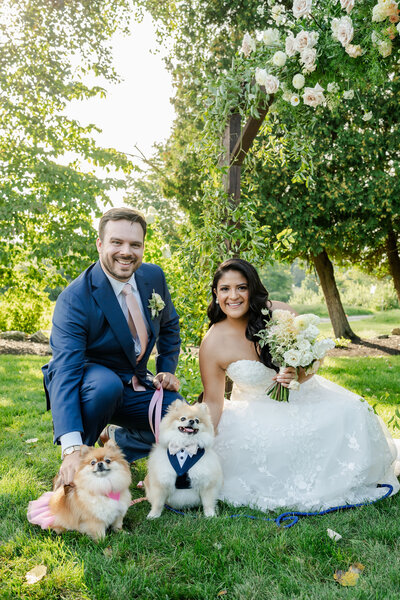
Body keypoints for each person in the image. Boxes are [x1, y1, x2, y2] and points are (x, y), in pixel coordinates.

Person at [199, 258, 400, 512]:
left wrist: (297, 375)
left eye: (242, 287)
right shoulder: (213, 342)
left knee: (354, 410)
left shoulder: (280, 315)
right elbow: (213, 401)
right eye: (225, 289)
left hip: (305, 397)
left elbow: (313, 360)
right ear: (216, 294)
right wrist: (199, 444)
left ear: (252, 289)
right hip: (255, 410)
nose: (233, 296)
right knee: (272, 440)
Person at [43, 207, 182, 488]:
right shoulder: (75, 299)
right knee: (106, 385)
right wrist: (70, 447)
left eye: (135, 244)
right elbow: (65, 371)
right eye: (116, 242)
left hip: (135, 384)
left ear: (143, 247)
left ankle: (118, 441)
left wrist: (166, 370)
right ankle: (81, 462)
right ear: (100, 244)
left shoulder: (153, 277)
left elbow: (170, 325)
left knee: (179, 419)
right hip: (93, 386)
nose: (126, 252)